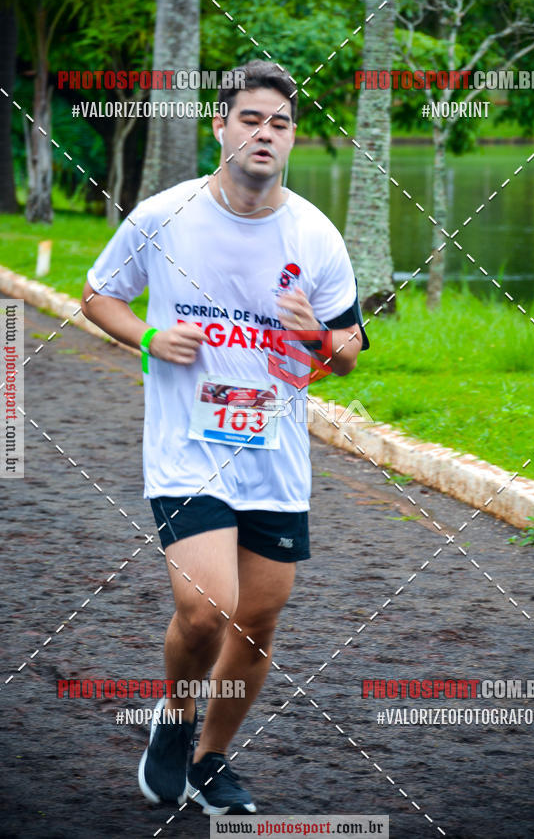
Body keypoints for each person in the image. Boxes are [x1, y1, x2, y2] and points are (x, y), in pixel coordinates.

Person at [80, 58, 369, 814]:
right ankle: (174, 719)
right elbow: (98, 296)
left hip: (275, 456)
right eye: (250, 118)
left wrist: (314, 336)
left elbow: (346, 355)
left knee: (260, 616)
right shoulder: (165, 215)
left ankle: (212, 760)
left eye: (279, 122)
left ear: (293, 138)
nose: (265, 133)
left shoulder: (315, 232)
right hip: (187, 450)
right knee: (208, 608)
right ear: (220, 126)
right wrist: (146, 337)